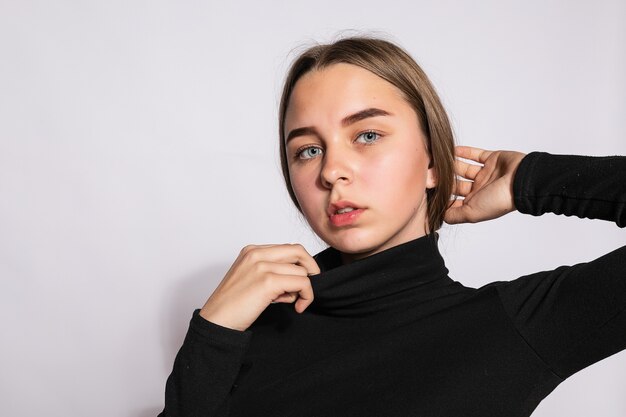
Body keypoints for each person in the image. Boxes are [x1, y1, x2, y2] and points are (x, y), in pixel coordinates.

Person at [158, 35, 626, 416]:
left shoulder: (510, 328)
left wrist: (532, 180)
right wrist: (213, 332)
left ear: (432, 162)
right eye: (308, 149)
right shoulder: (243, 331)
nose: (331, 171)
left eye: (367, 135)